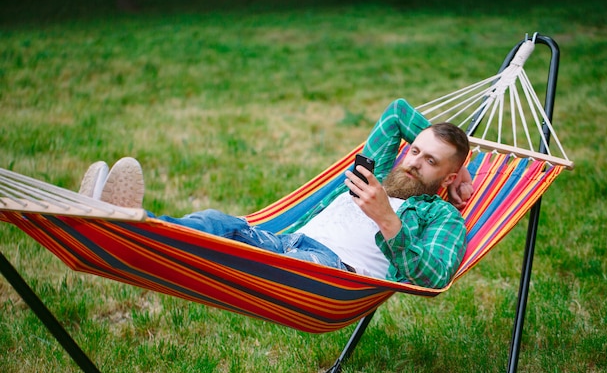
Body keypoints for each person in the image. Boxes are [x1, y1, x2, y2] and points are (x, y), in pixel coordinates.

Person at [79, 99, 473, 289]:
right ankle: (125, 222)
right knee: (218, 222)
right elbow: (396, 113)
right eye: (415, 149)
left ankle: (129, 231)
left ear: (446, 175)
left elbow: (435, 277)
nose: (415, 161)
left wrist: (387, 219)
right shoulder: (381, 173)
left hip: (328, 272)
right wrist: (464, 170)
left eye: (431, 161)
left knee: (246, 258)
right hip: (287, 241)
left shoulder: (441, 216)